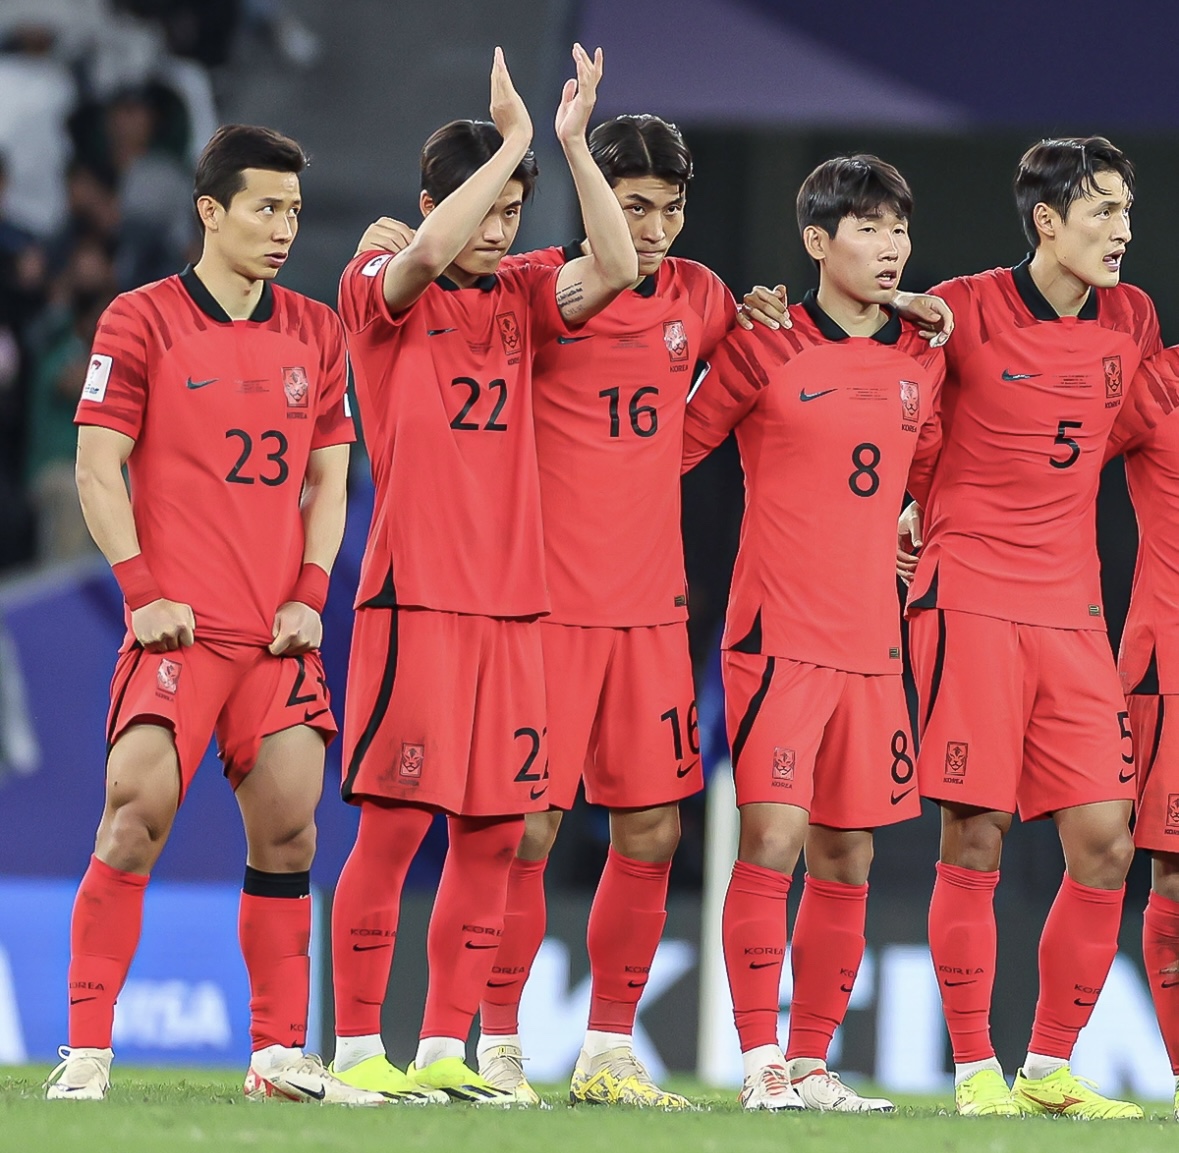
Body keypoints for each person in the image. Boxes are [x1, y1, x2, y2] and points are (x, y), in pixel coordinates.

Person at [44, 124, 385, 1105]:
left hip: (275, 635)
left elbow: (330, 479)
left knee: (289, 838)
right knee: (133, 819)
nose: (284, 227)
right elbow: (95, 466)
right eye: (264, 207)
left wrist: (311, 596)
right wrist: (144, 593)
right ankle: (87, 1052)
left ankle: (279, 1056)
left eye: (293, 210)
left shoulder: (319, 331)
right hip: (180, 629)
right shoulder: (140, 321)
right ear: (210, 211)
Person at [328, 46, 638, 1105]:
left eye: (516, 210)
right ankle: (359, 1044)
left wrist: (560, 142)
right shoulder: (375, 284)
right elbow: (420, 260)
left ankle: (445, 1047)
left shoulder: (520, 297)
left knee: (497, 830)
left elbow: (618, 267)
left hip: (516, 607)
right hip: (416, 595)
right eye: (490, 208)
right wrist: (504, 140)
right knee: (397, 823)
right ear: (438, 202)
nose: (503, 229)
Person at [896, 136, 1179, 1119]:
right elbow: (905, 425)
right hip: (969, 591)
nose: (1124, 231)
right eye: (1103, 211)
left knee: (1106, 841)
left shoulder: (1133, 319)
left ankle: (1049, 1065)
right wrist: (906, 509)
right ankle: (976, 1072)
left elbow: (1143, 429)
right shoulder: (963, 309)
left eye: (1130, 213)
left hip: (1073, 609)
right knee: (975, 831)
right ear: (1047, 221)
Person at [682, 155, 944, 1111]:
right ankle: (758, 1065)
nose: (889, 248)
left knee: (849, 857)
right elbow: (668, 445)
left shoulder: (922, 353)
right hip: (778, 635)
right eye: (868, 229)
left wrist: (918, 520)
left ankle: (811, 1063)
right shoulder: (762, 346)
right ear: (816, 242)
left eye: (898, 230)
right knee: (773, 838)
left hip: (876, 644)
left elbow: (941, 468)